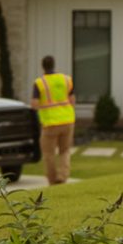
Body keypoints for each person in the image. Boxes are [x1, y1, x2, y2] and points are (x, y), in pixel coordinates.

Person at [32, 53, 76, 184]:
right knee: (65, 150)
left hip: (50, 123)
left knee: (48, 153)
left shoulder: (40, 83)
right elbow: (72, 100)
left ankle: (52, 179)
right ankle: (62, 176)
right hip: (67, 120)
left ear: (43, 67)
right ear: (53, 65)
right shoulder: (66, 79)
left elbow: (34, 104)